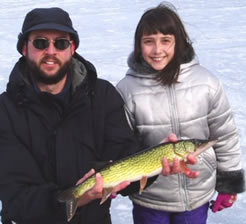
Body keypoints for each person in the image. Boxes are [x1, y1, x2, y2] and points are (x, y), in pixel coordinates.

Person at [0, 7, 199, 224]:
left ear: (72, 48)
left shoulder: (102, 95)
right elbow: (16, 198)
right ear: (24, 48)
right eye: (40, 42)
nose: (51, 51)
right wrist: (78, 197)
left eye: (61, 43)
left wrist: (155, 159)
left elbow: (124, 161)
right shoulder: (6, 111)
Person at [117, 2, 245, 224]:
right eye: (149, 42)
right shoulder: (126, 90)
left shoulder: (206, 83)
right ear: (139, 46)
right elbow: (122, 144)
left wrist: (228, 182)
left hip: (196, 195)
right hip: (150, 198)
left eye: (166, 41)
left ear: (179, 42)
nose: (158, 50)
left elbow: (224, 135)